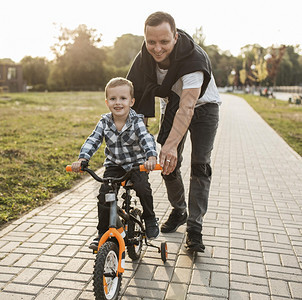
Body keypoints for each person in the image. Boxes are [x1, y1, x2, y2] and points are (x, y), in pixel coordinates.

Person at [127, 11, 221, 252]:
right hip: (171, 105)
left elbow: (188, 106)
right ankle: (179, 210)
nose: (157, 48)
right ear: (145, 39)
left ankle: (195, 228)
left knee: (200, 165)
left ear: (175, 37)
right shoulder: (143, 59)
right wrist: (137, 144)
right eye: (151, 42)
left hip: (203, 108)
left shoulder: (193, 59)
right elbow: (135, 102)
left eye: (164, 42)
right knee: (167, 164)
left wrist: (171, 146)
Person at [71, 77, 159, 250]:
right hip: (114, 165)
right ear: (107, 102)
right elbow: (93, 140)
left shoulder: (136, 121)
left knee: (142, 188)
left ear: (131, 101)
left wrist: (151, 157)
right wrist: (82, 159)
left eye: (123, 98)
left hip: (136, 165)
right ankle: (102, 232)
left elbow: (146, 139)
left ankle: (150, 218)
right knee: (105, 195)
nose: (118, 103)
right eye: (113, 99)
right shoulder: (104, 122)